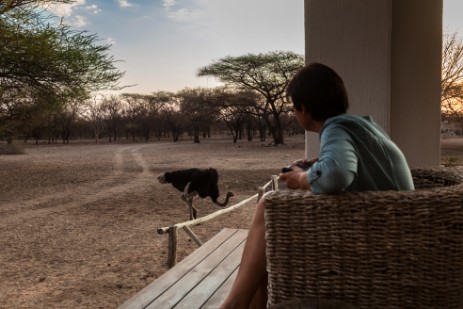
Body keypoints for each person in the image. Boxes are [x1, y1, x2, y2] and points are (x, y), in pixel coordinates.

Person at [220, 62, 414, 309]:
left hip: (378, 238)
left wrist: (301, 179)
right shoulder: (364, 126)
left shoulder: (335, 128)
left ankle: (234, 304)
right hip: (396, 227)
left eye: (293, 107)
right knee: (268, 248)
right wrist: (316, 165)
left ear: (304, 108)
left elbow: (337, 176)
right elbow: (358, 166)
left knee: (267, 207)